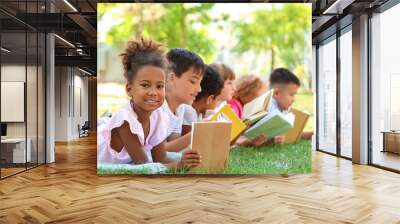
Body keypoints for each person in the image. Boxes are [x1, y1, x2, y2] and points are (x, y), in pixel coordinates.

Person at [97, 38, 200, 171]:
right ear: (129, 89)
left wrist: (185, 160)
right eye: (145, 85)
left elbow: (160, 158)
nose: (153, 92)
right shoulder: (126, 121)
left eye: (159, 86)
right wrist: (179, 165)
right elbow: (144, 166)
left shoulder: (158, 117)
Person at [162, 48, 205, 152]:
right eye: (193, 81)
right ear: (171, 78)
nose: (199, 89)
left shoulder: (179, 108)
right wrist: (196, 132)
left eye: (200, 83)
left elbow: (173, 144)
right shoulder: (157, 108)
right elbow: (159, 151)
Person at [269, 68, 313, 141]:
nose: (293, 100)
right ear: (276, 93)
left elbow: (289, 135)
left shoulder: (278, 108)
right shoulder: (270, 109)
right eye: (291, 94)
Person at [181, 65, 224, 134]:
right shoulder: (189, 111)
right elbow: (194, 142)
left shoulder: (197, 113)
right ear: (210, 99)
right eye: (217, 100)